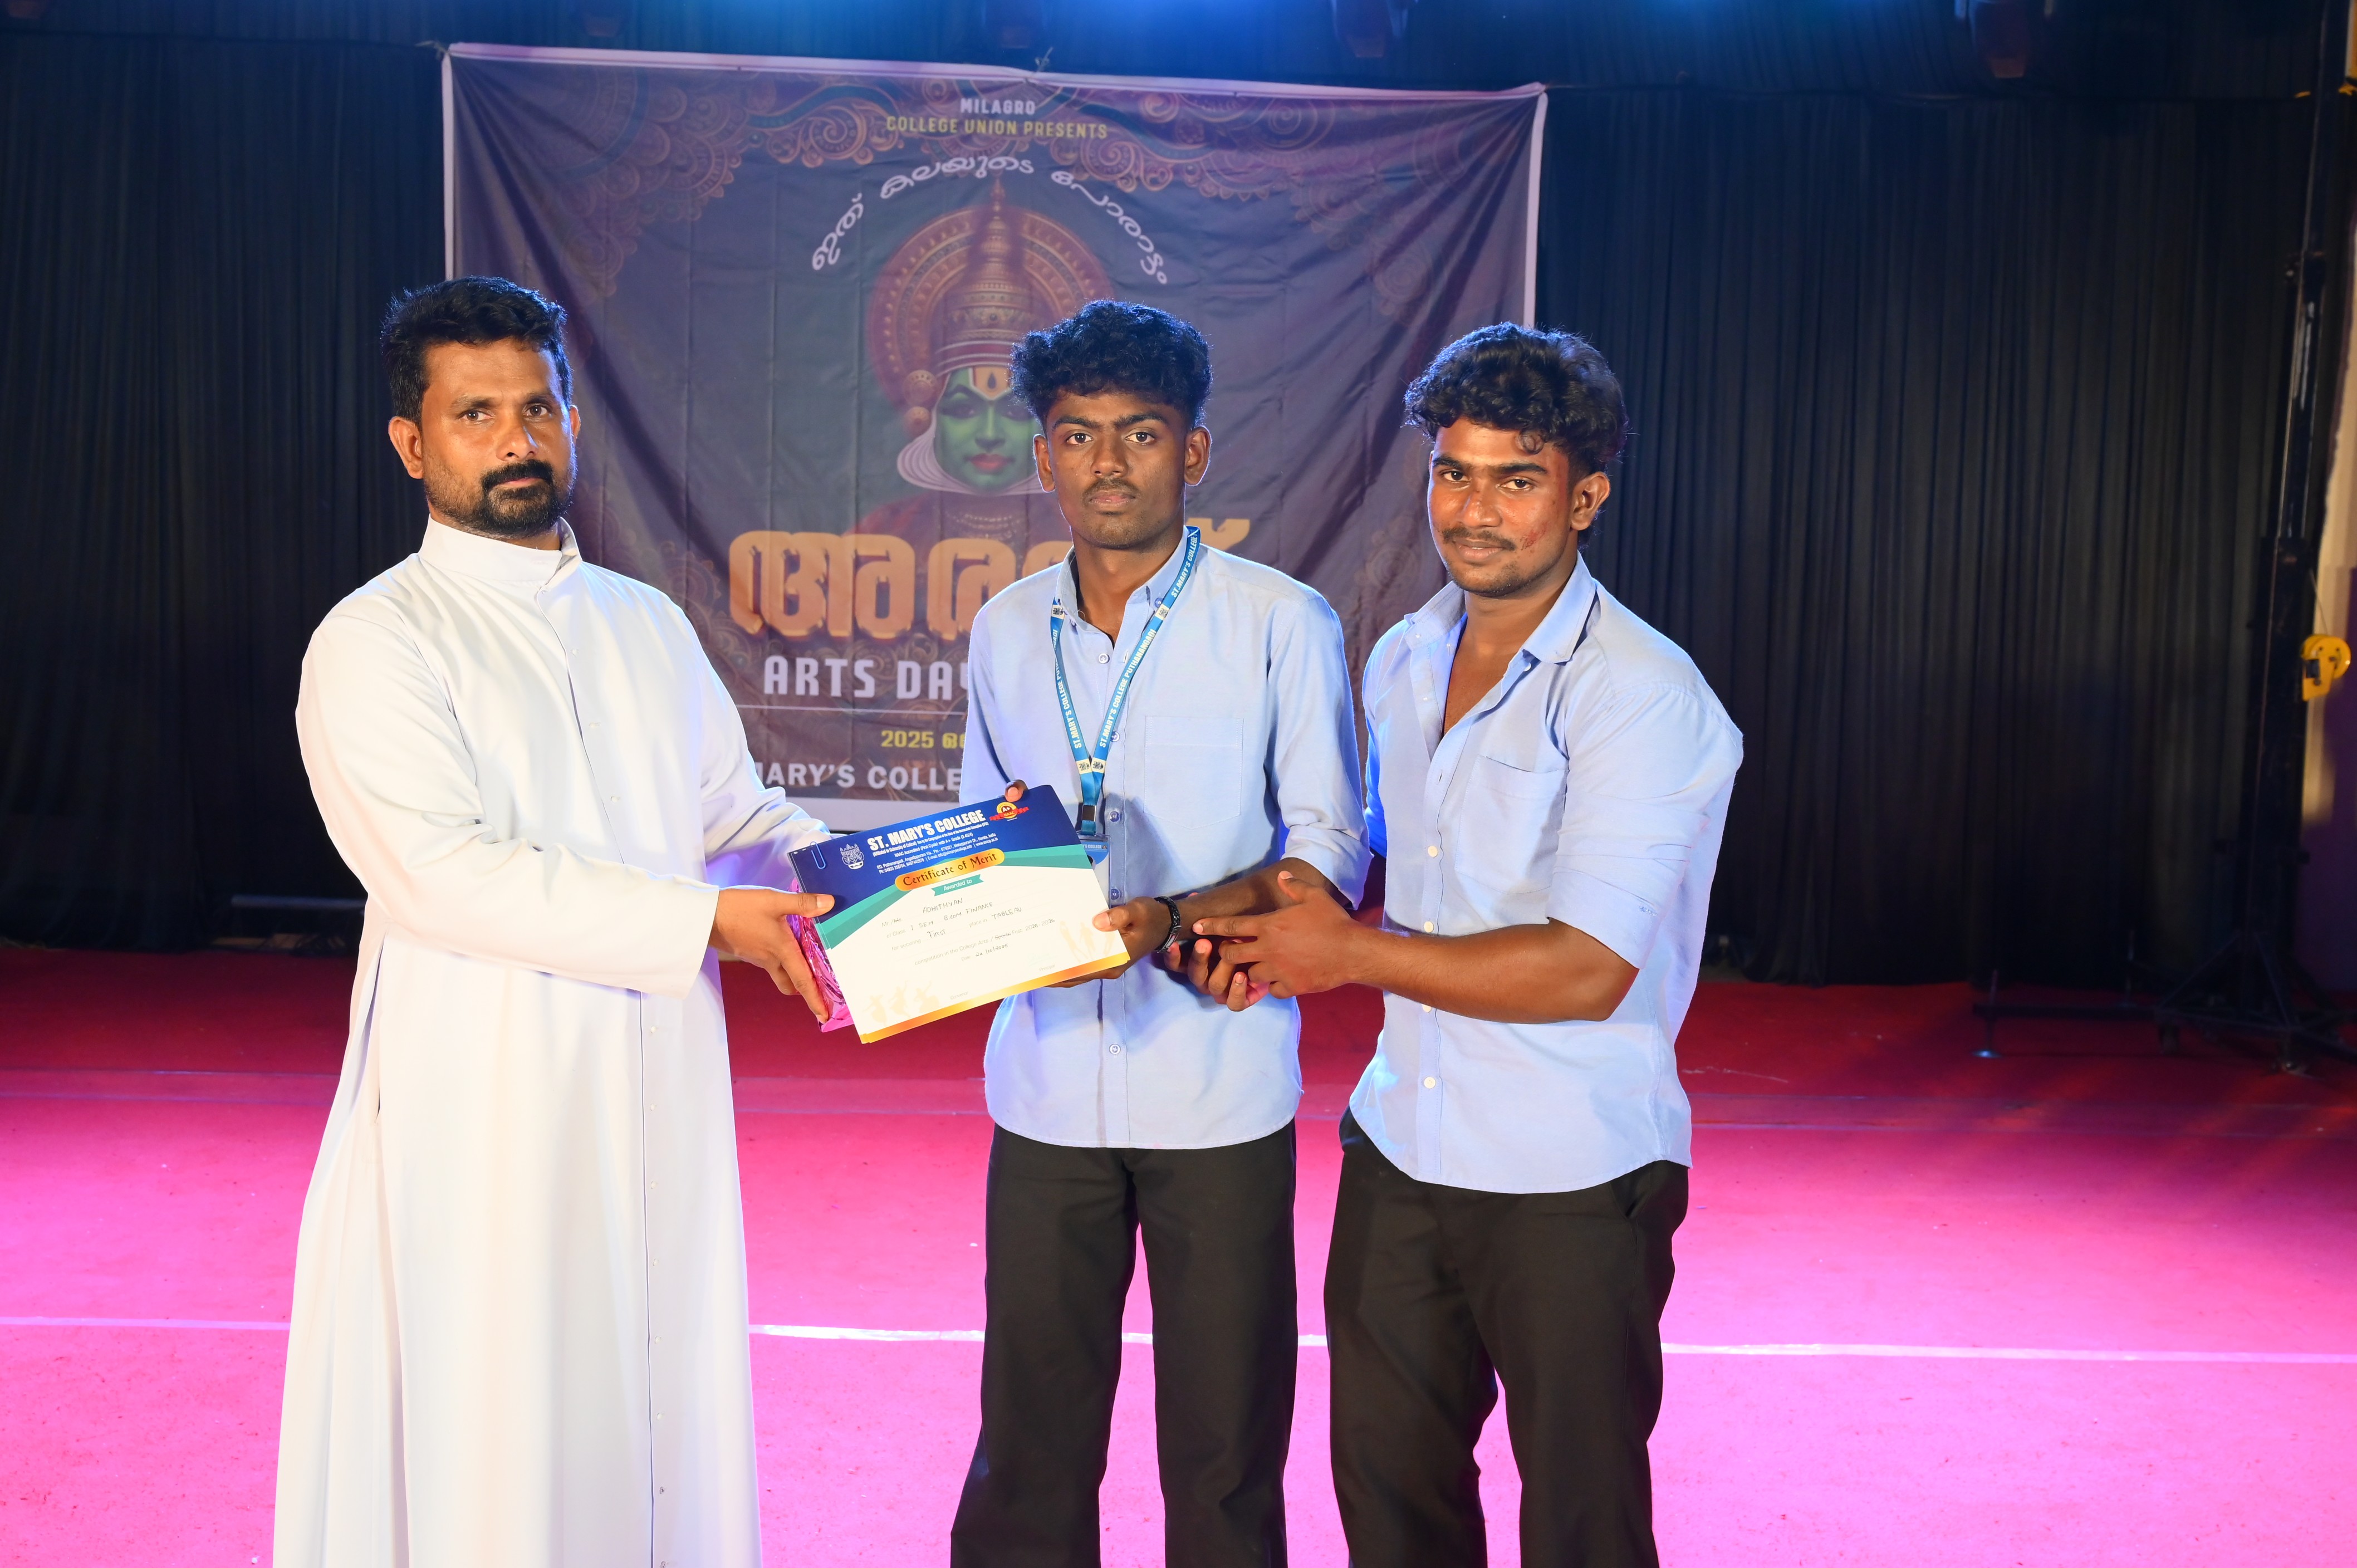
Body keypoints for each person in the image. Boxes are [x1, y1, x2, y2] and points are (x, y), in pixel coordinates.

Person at [275, 277, 838, 1568]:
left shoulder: (644, 623)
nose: (516, 438)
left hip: (657, 1091)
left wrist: (903, 885)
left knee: (656, 1404)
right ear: (412, 443)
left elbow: (736, 817)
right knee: (493, 1424)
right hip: (482, 1109)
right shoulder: (376, 640)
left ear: (572, 419)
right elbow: (443, 876)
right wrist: (711, 921)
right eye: (475, 414)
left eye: (536, 407)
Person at [1192, 325, 1743, 1568]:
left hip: (1572, 1173)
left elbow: (1585, 970)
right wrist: (1201, 918)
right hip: (1402, 1148)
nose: (1473, 508)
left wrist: (1344, 957)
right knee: (1390, 1502)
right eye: (1453, 472)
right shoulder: (1404, 654)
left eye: (1516, 478)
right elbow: (1366, 863)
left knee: (1582, 1526)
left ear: (1585, 497)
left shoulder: (1641, 692)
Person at [950, 300, 1368, 1567]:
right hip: (1043, 1088)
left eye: (1139, 434)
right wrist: (916, 928)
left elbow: (1330, 850)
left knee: (1225, 1452)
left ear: (1192, 453)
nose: (1107, 463)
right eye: (1078, 436)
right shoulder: (1003, 628)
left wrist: (1176, 918)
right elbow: (978, 842)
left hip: (1216, 1089)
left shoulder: (1280, 621)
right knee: (1028, 1444)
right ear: (1043, 458)